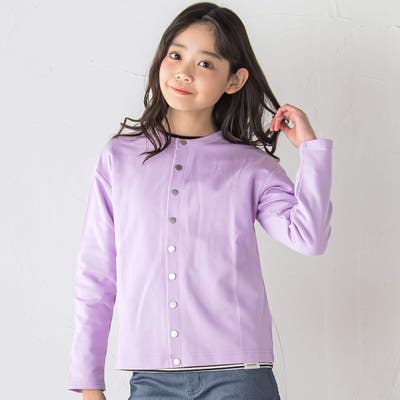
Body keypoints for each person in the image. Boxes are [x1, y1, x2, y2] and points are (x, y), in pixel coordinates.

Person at [66, 2, 333, 399]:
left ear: (234, 80)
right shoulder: (119, 159)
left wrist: (311, 150)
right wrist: (89, 383)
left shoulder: (251, 167)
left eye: (205, 63)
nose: (184, 72)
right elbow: (97, 273)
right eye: (176, 55)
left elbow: (309, 238)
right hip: (151, 379)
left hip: (240, 377)